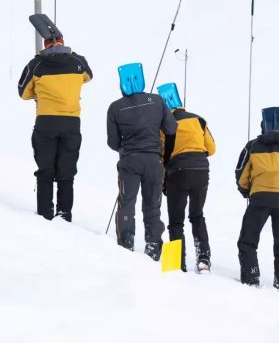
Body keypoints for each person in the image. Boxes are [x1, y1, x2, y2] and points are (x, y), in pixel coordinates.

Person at [17, 24, 92, 222]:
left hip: (46, 122)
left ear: (45, 44)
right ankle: (64, 215)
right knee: (66, 172)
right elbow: (88, 77)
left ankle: (44, 213)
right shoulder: (78, 62)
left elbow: (23, 93)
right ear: (63, 43)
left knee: (45, 170)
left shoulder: (36, 64)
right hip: (71, 123)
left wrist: (39, 93)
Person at [106, 63, 177, 259]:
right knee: (152, 206)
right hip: (154, 161)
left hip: (129, 161)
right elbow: (171, 129)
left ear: (122, 83)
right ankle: (153, 246)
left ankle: (125, 243)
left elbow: (112, 142)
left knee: (127, 201)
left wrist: (125, 148)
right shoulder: (157, 100)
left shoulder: (115, 108)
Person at [234, 107, 279, 289]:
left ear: (263, 125)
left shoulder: (252, 146)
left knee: (248, 240)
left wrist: (246, 191)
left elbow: (241, 174)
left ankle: (251, 277)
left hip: (260, 199)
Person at [158, 82, 216, 273]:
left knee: (176, 221)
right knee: (197, 215)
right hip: (201, 169)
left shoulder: (165, 123)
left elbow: (162, 153)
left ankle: (176, 263)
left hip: (178, 172)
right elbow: (212, 148)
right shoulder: (199, 120)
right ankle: (204, 259)